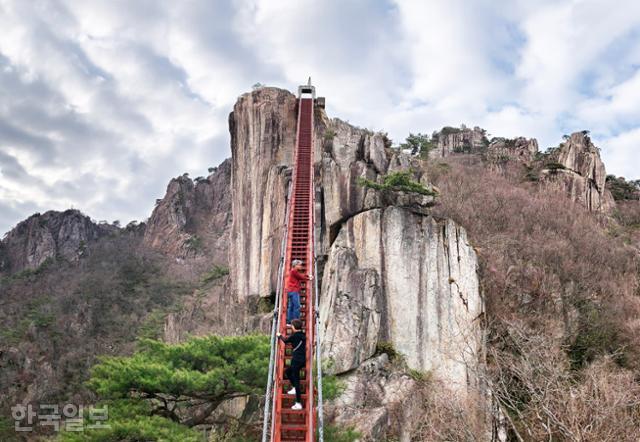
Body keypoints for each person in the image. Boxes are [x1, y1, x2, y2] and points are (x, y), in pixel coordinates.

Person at [277, 318, 305, 410]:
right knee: (288, 372)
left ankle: (298, 403)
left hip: (296, 360)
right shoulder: (303, 335)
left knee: (296, 381)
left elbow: (285, 340)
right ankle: (294, 387)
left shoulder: (294, 336)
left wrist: (279, 335)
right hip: (302, 360)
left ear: (293, 327)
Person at [285, 260, 312, 324]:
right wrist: (309, 278)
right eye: (299, 265)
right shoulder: (294, 271)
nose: (301, 266)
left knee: (291, 306)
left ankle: (289, 321)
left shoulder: (293, 271)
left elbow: (300, 275)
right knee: (297, 306)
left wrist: (308, 276)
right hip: (294, 290)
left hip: (290, 290)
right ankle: (296, 321)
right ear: (295, 265)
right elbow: (300, 277)